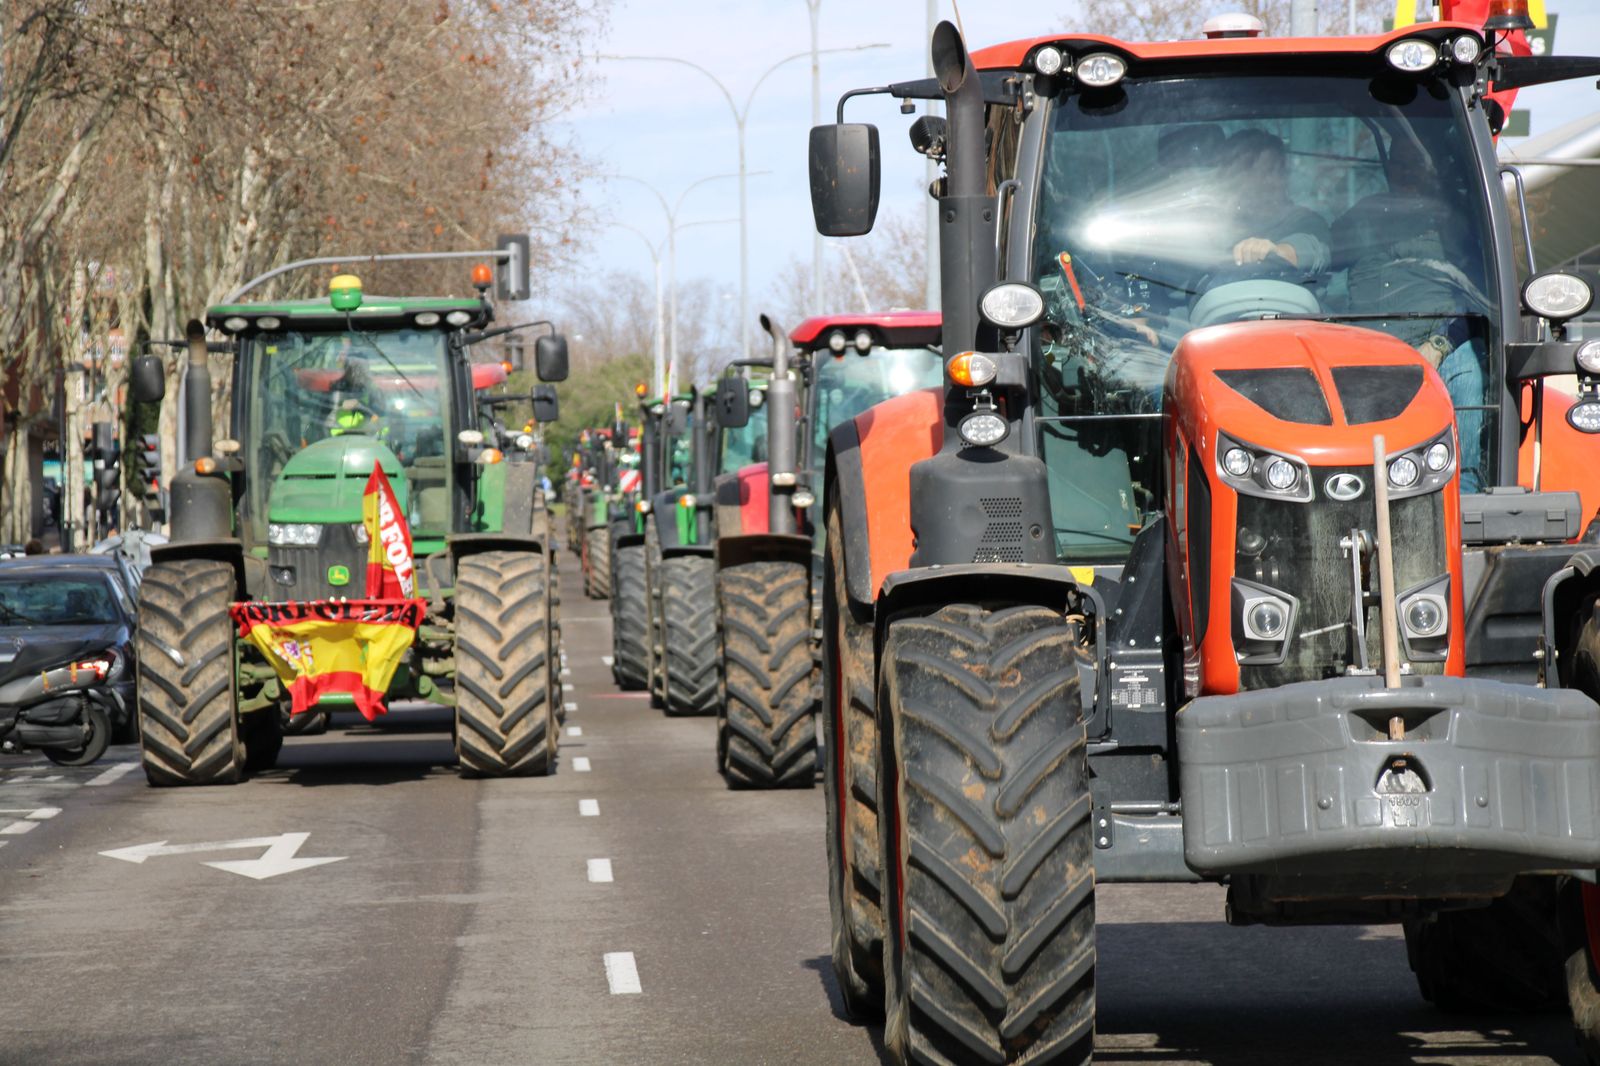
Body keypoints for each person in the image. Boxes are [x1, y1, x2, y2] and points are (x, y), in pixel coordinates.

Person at [1220, 129, 1331, 272]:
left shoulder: (1305, 221)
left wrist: (1275, 252)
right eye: (1247, 172)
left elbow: (1311, 249)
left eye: (1274, 171)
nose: (1268, 182)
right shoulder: (1213, 226)